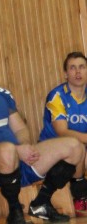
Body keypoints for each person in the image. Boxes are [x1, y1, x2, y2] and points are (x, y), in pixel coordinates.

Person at [0, 47, 87, 223]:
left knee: (75, 147)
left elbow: (21, 130)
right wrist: (17, 150)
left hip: (19, 160)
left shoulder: (2, 95)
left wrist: (25, 147)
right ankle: (15, 211)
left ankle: (42, 202)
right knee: (7, 150)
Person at [39, 51, 87, 216]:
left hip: (80, 148)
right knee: (78, 147)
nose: (78, 72)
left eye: (82, 67)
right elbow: (62, 131)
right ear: (66, 74)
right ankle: (80, 196)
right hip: (51, 151)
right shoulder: (57, 96)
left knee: (80, 148)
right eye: (72, 68)